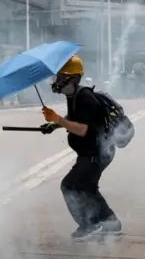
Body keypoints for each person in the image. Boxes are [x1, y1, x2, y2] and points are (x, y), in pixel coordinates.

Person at [40, 55, 122, 240]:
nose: (58, 82)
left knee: (69, 186)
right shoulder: (75, 95)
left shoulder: (85, 97)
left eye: (63, 78)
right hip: (96, 151)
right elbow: (76, 118)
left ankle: (89, 225)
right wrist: (55, 125)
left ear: (75, 79)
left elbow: (84, 129)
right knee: (87, 187)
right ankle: (111, 221)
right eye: (58, 78)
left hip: (96, 152)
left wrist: (58, 119)